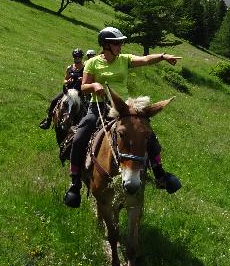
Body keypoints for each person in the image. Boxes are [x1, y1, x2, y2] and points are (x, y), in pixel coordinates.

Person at [63, 27, 182, 208]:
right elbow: (83, 87)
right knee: (80, 135)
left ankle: (160, 174)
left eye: (120, 43)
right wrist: (95, 85)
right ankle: (75, 182)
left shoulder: (124, 60)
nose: (120, 46)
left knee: (147, 135)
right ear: (106, 45)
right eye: (117, 43)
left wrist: (163, 57)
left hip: (124, 109)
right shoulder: (92, 63)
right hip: (99, 107)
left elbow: (144, 59)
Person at [39, 48, 86, 130]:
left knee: (86, 106)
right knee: (54, 100)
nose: (77, 59)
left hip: (79, 92)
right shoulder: (69, 67)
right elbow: (64, 80)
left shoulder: (85, 68)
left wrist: (82, 79)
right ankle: (48, 120)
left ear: (81, 58)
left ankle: (85, 126)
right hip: (68, 91)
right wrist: (68, 81)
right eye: (75, 57)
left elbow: (89, 80)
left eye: (79, 57)